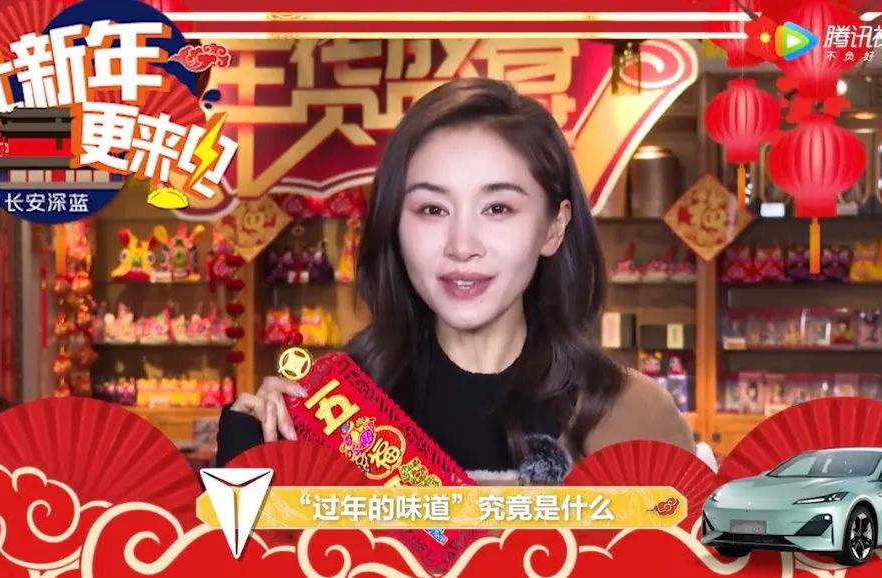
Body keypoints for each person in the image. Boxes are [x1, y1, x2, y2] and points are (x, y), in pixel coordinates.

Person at [217, 77, 695, 478]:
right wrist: (257, 452)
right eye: (432, 209)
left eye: (498, 208)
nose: (462, 245)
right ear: (394, 224)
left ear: (554, 227)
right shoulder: (333, 410)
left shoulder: (631, 416)